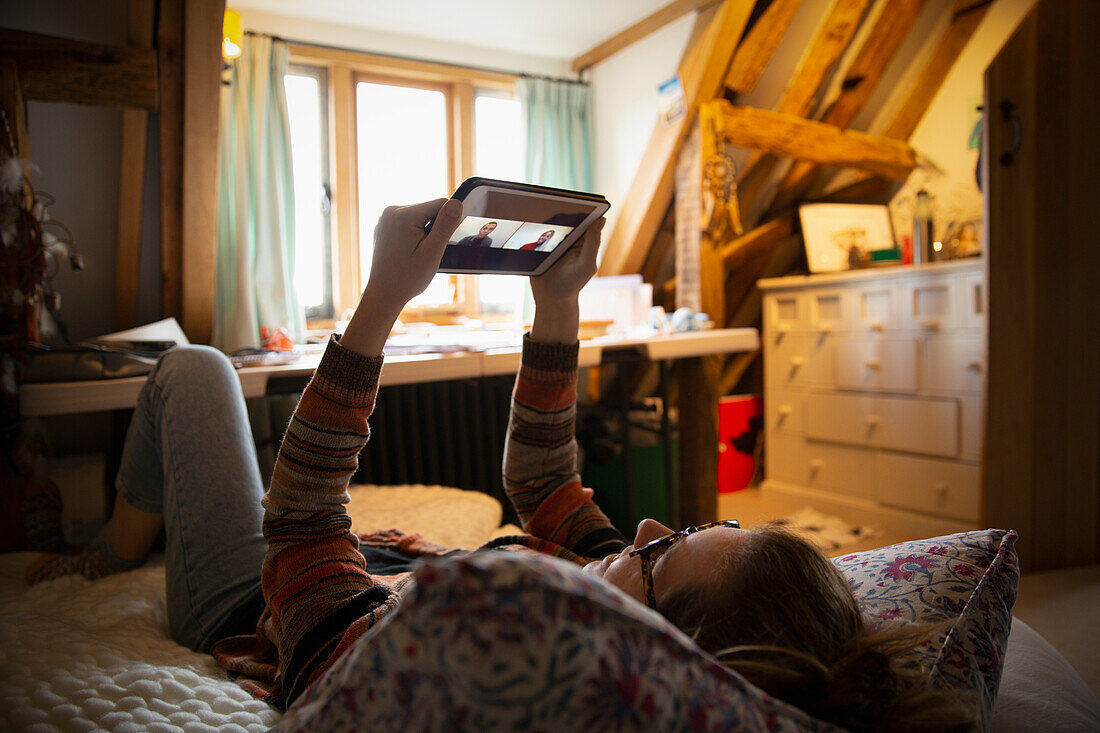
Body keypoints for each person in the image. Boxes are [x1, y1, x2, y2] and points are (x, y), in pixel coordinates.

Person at [26, 199, 974, 731]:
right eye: (688, 528)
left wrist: (381, 301)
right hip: (376, 555)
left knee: (191, 370)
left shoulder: (429, 657)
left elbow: (304, 517)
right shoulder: (606, 588)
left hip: (248, 595)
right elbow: (548, 485)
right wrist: (559, 300)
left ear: (645, 642)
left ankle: (108, 559)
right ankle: (117, 546)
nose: (644, 528)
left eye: (659, 556)